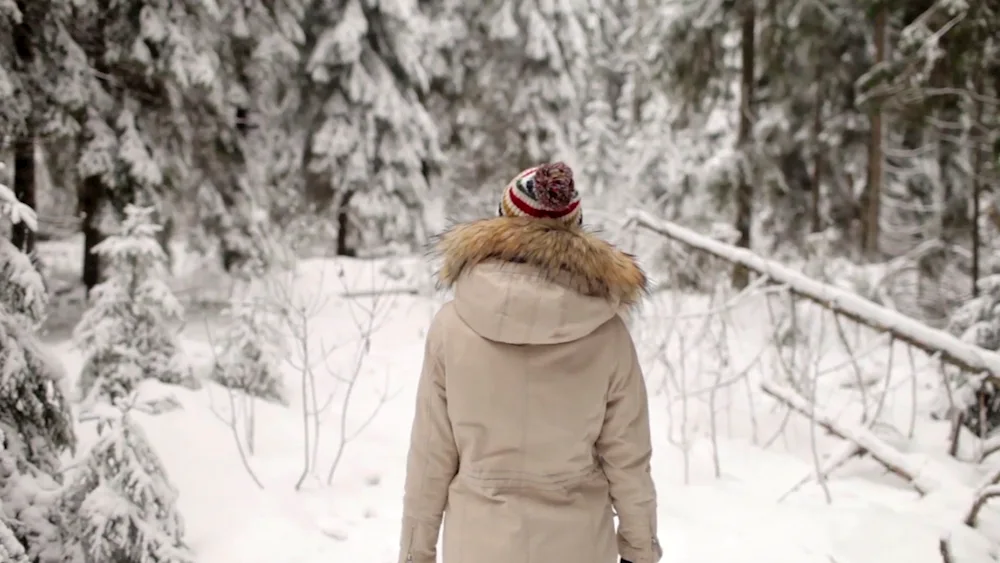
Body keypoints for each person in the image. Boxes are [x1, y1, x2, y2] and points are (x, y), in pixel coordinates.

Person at [398, 162, 661, 563]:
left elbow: (430, 459)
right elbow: (629, 461)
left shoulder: (451, 327)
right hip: (579, 547)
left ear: (502, 225)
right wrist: (640, 553)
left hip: (477, 547)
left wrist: (415, 554)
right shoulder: (608, 335)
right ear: (575, 235)